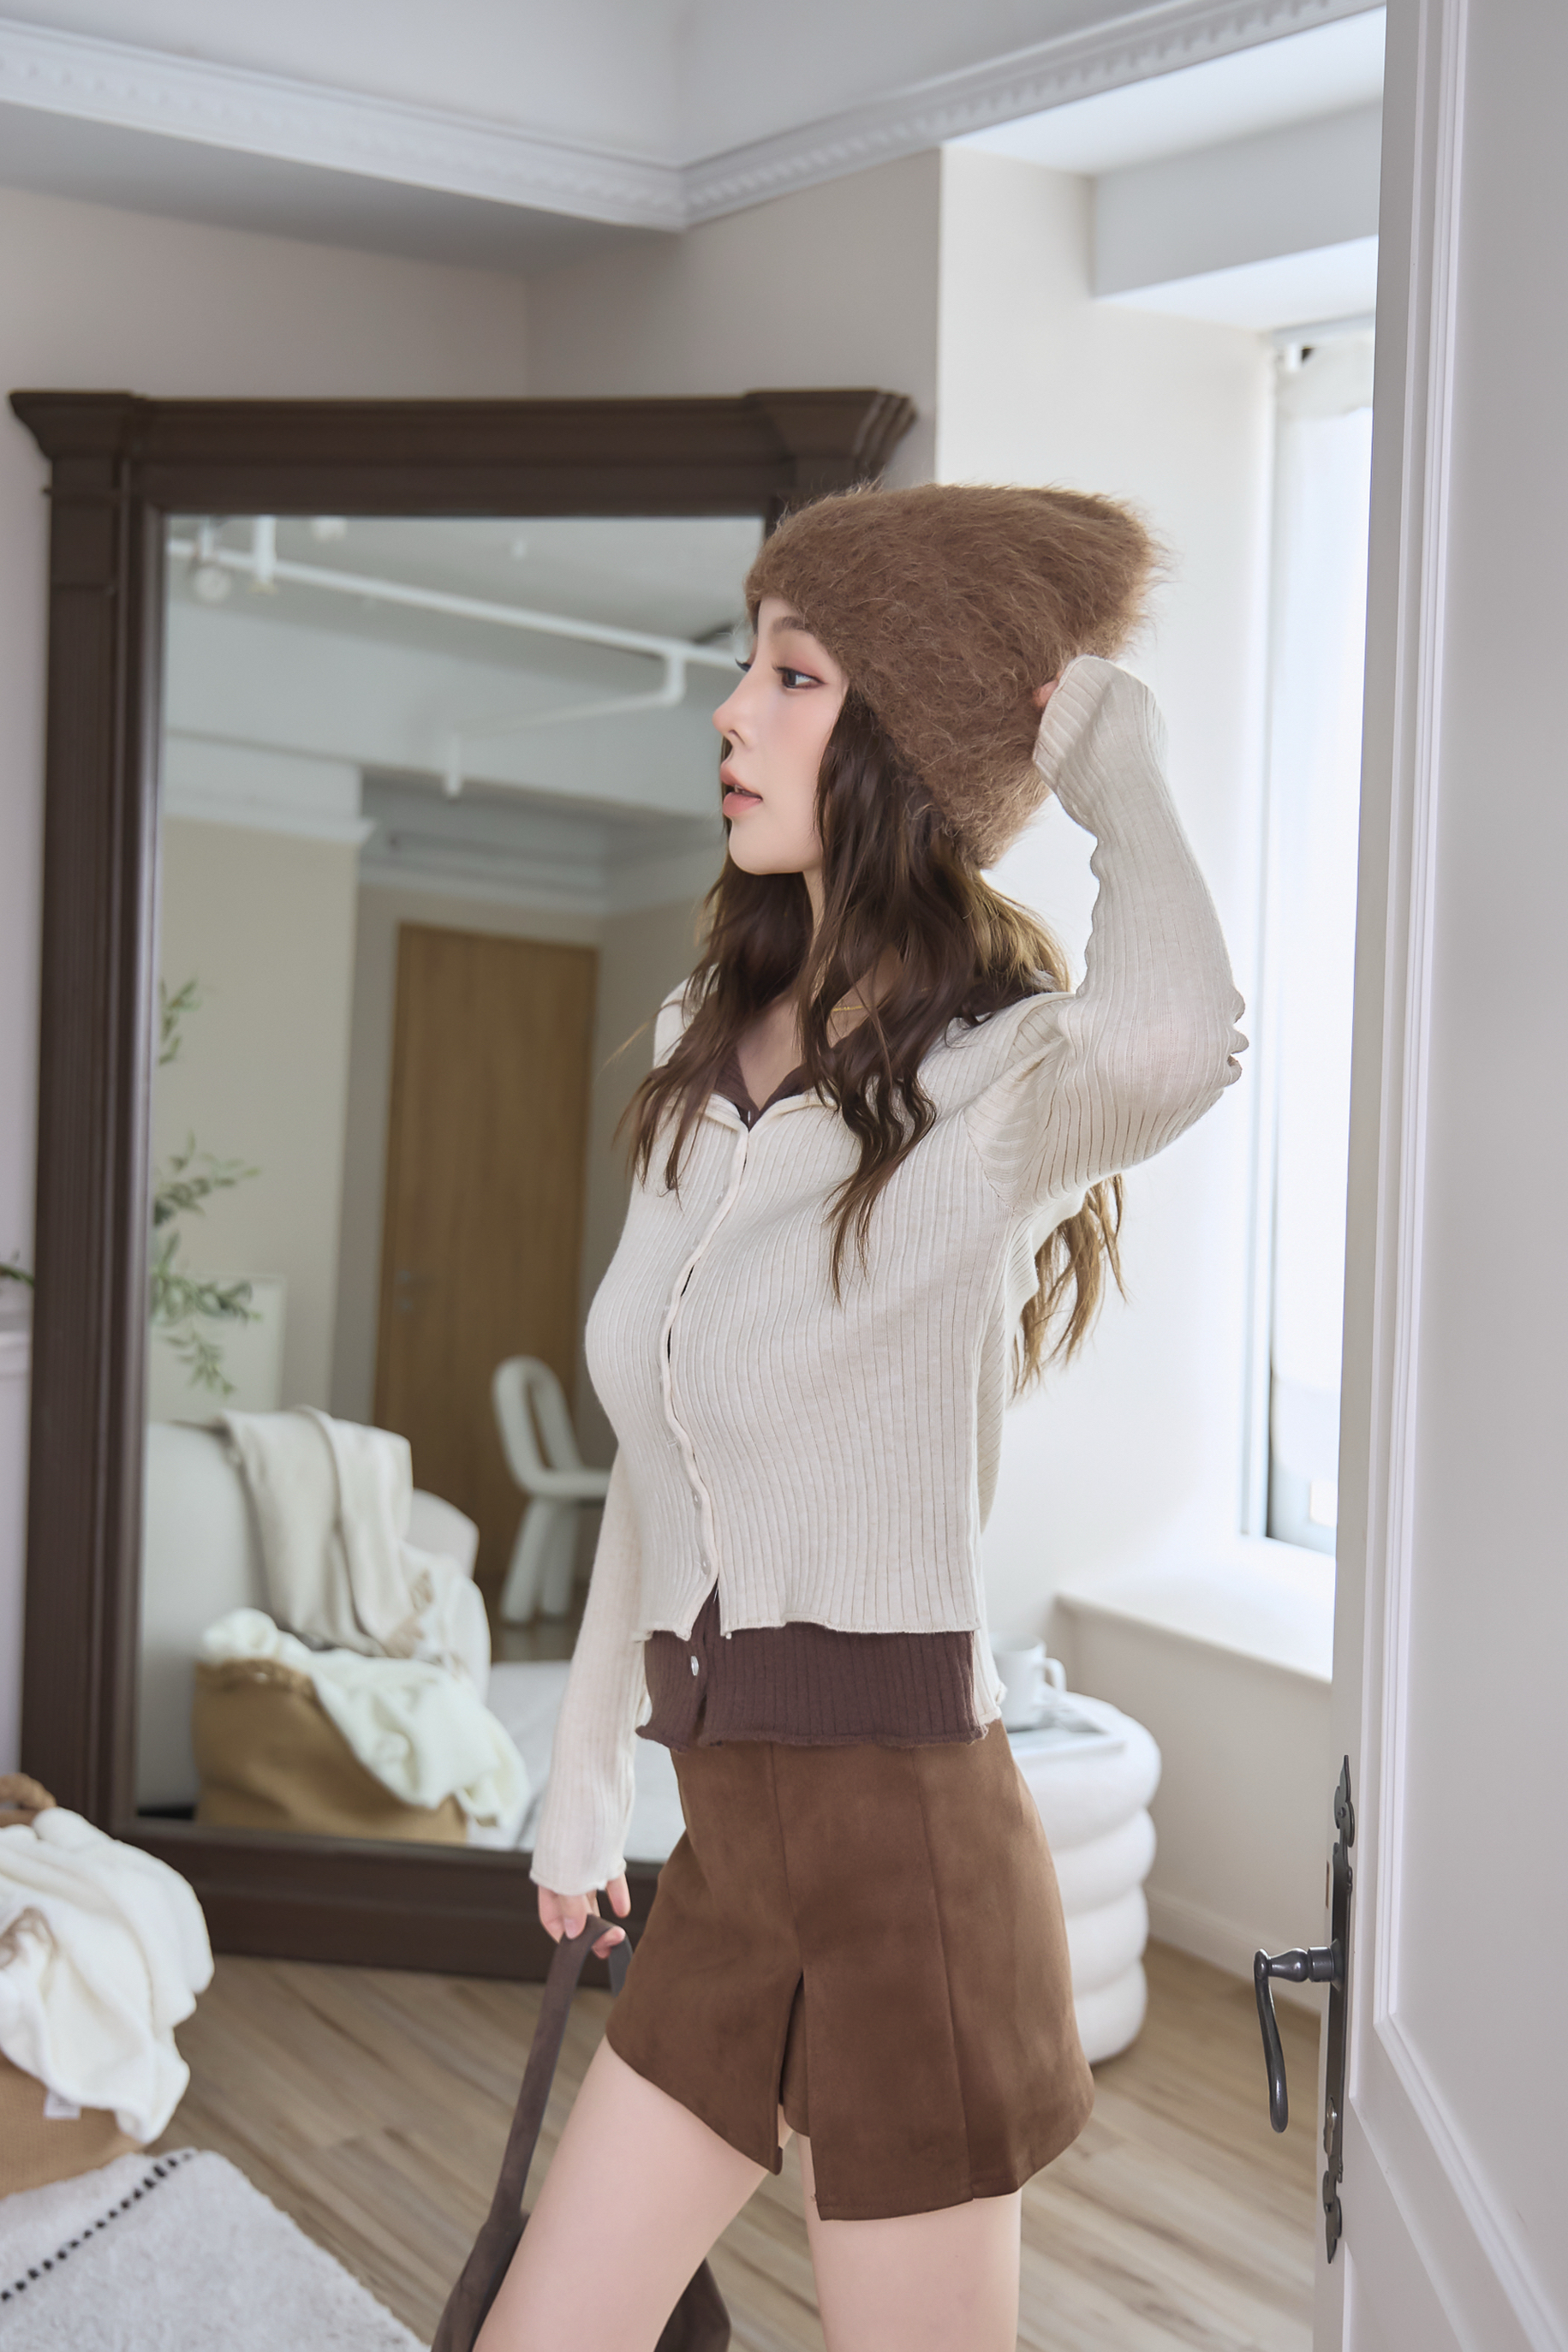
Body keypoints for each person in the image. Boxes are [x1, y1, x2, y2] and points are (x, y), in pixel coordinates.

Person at [475, 482, 1245, 2352]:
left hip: (908, 1864)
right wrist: (581, 1786)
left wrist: (1113, 759)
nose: (732, 709)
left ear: (900, 738)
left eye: (795, 675)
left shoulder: (997, 1087)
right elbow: (656, 1468)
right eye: (747, 666)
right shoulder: (699, 1053)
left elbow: (1179, 1035)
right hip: (729, 1854)